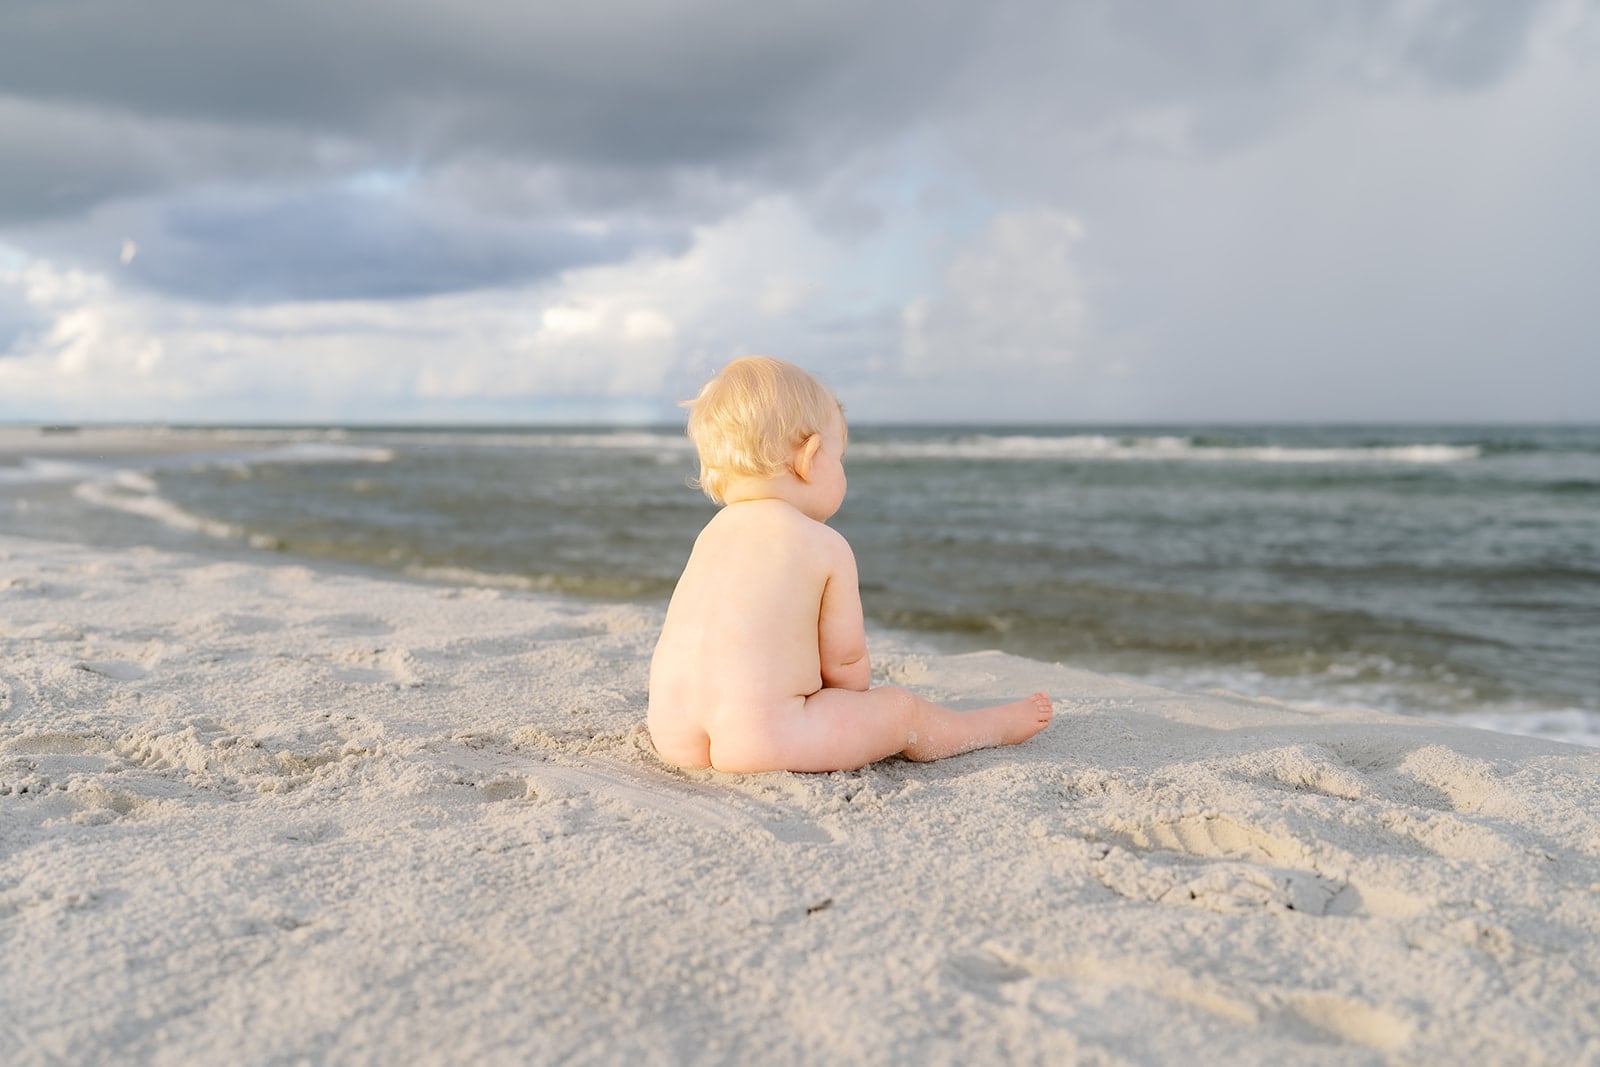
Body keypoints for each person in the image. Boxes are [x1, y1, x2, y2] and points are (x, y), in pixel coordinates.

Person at [647, 356, 1052, 773]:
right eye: (839, 458)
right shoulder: (824, 543)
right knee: (901, 711)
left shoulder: (711, 535)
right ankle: (986, 728)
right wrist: (852, 706)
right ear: (809, 458)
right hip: (765, 739)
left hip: (674, 734)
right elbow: (844, 664)